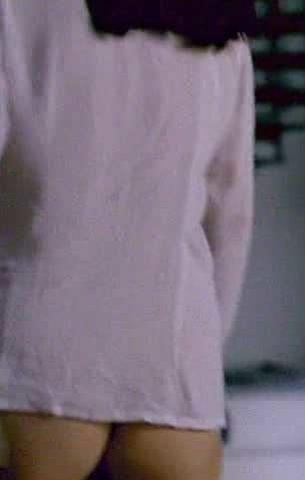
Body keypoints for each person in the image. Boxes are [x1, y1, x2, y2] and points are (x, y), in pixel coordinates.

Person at [0, 1, 257, 479]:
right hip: (174, 361)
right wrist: (203, 347)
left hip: (42, 360)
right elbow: (232, 214)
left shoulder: (18, 11)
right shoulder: (221, 27)